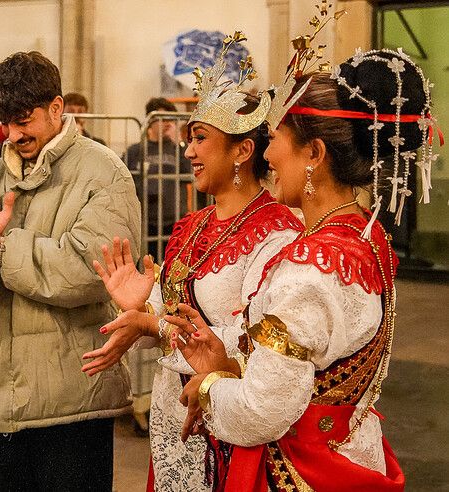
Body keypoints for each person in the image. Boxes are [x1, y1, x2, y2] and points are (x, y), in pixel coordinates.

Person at [172, 44, 437, 490]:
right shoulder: (364, 235)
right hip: (349, 451)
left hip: (302, 471)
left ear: (313, 153)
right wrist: (228, 360)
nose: (267, 155)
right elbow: (312, 366)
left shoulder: (310, 268)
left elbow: (261, 412)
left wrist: (207, 386)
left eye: (274, 139)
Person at [81, 36, 303, 491]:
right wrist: (140, 308)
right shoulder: (191, 225)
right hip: (170, 418)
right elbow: (170, 318)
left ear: (243, 150)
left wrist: (154, 326)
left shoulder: (276, 231)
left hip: (225, 427)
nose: (188, 152)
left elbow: (255, 341)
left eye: (201, 139)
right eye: (188, 139)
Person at [0, 51, 141, 491]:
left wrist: (0, 248)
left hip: (69, 399)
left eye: (24, 120)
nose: (14, 133)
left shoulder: (105, 175)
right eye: (6, 121)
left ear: (58, 108)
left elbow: (89, 269)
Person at [124, 97, 194, 259]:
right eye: (162, 119)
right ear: (150, 121)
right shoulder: (136, 151)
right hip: (145, 223)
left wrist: (180, 142)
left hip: (175, 222)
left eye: (170, 120)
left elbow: (191, 173)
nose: (167, 124)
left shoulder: (179, 149)